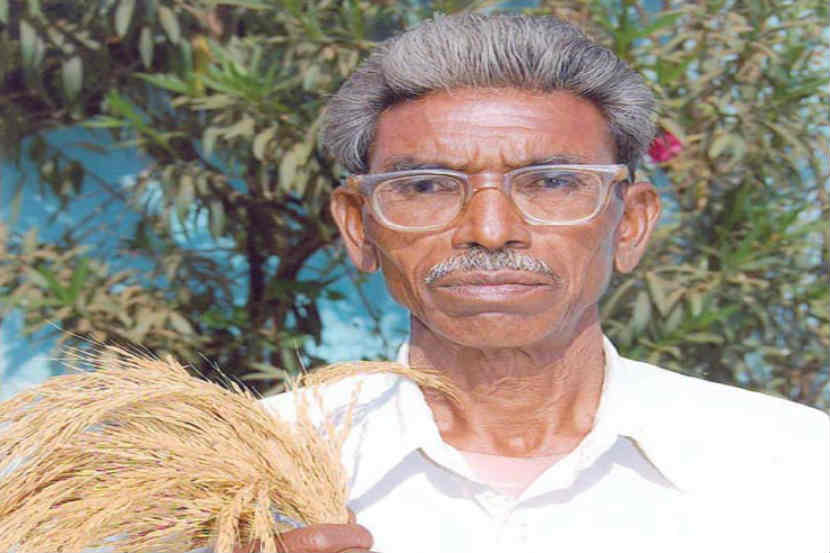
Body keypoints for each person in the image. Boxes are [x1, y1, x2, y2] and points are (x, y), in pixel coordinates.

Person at [247, 12, 829, 553]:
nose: (490, 231)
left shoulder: (793, 465)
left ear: (630, 223)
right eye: (427, 186)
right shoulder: (249, 465)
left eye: (551, 182)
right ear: (359, 227)